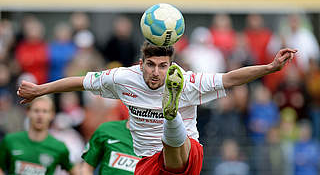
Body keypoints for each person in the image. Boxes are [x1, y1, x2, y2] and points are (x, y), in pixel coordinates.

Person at [17, 40, 297, 175]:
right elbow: (80, 82)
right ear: (141, 63)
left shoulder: (185, 80)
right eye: (150, 65)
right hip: (146, 163)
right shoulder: (123, 78)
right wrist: (41, 89)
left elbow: (231, 78)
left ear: (170, 65)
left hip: (186, 154)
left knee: (175, 150)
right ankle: (171, 116)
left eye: (163, 66)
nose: (156, 72)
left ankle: (171, 114)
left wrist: (270, 67)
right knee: (162, 158)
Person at [0, 96, 79, 174]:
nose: (40, 116)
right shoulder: (10, 141)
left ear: (52, 115)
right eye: (36, 111)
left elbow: (74, 171)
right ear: (28, 112)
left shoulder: (59, 147)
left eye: (45, 111)